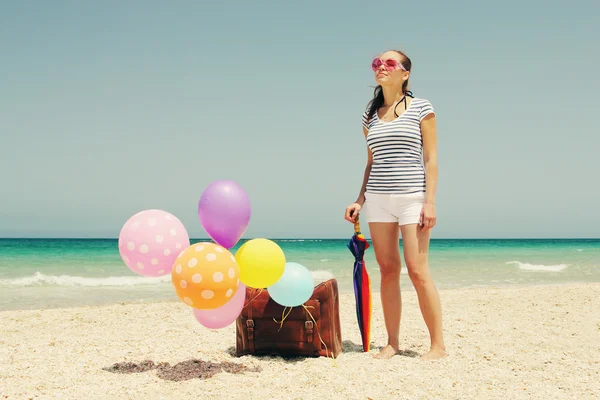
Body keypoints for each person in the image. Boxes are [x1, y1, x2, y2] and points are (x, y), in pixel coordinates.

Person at [344, 49, 446, 361]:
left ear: (405, 73)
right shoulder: (369, 115)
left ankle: (437, 345)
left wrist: (430, 202)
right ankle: (392, 342)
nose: (381, 67)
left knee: (418, 271)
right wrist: (360, 199)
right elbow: (371, 162)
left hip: (412, 198)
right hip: (378, 200)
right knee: (388, 270)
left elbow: (431, 159)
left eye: (390, 63)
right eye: (377, 62)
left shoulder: (421, 108)